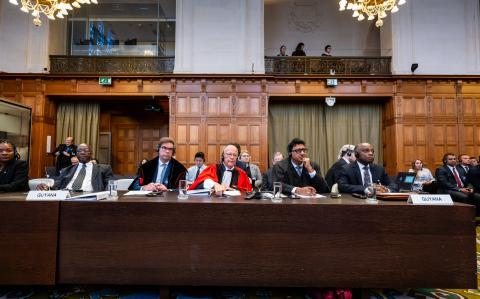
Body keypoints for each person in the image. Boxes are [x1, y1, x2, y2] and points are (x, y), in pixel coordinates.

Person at [37, 143, 114, 192]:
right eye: (79, 151)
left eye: (86, 150)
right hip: (67, 196)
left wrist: (107, 195)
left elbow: (110, 184)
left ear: (91, 153)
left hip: (91, 197)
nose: (82, 152)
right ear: (76, 154)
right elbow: (58, 183)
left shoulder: (104, 168)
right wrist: (47, 186)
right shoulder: (67, 170)